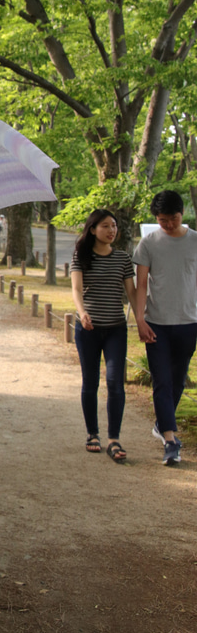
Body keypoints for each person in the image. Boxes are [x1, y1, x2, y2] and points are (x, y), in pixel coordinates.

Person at [133, 190, 197, 466]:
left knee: (177, 378)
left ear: (182, 214)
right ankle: (170, 441)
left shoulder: (195, 241)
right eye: (162, 220)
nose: (168, 224)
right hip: (156, 322)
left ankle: (162, 424)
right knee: (161, 380)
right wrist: (139, 319)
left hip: (188, 322)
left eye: (172, 218)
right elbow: (142, 284)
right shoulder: (148, 243)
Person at [70, 209, 137, 462]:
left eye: (114, 226)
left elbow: (131, 292)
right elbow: (76, 289)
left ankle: (114, 439)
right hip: (87, 329)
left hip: (116, 329)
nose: (112, 231)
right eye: (106, 226)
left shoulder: (123, 258)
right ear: (93, 229)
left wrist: (140, 317)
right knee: (90, 382)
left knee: (115, 381)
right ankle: (92, 434)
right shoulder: (81, 256)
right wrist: (82, 312)